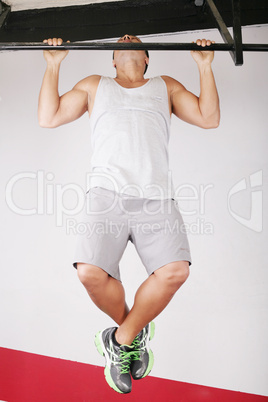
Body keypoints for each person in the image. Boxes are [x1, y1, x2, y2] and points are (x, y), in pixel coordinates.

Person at [38, 34, 220, 394]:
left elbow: (208, 118)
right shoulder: (96, 85)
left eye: (135, 39)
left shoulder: (164, 86)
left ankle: (120, 338)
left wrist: (204, 67)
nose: (126, 38)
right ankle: (132, 335)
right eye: (121, 40)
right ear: (112, 60)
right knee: (89, 272)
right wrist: (53, 64)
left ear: (148, 58)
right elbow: (49, 117)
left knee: (175, 271)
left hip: (156, 195)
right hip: (106, 196)